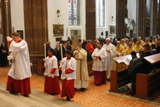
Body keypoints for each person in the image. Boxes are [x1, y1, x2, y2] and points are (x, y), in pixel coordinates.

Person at [6, 32, 32, 97]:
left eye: (14, 38)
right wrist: (11, 56)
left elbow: (17, 47)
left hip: (23, 63)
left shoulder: (23, 43)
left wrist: (11, 41)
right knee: (12, 75)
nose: (13, 40)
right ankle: (14, 89)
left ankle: (25, 92)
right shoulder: (16, 43)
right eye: (12, 38)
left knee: (23, 76)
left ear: (17, 37)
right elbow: (13, 52)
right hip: (16, 63)